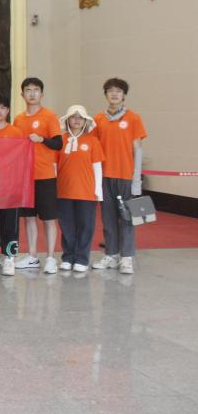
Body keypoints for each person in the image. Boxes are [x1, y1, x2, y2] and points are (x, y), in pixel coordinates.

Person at [92, 78, 147, 275]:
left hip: (125, 176)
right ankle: (112, 254)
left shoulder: (133, 118)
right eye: (111, 90)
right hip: (105, 176)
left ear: (124, 95)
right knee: (108, 218)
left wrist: (136, 180)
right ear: (106, 94)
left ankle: (127, 258)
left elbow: (138, 150)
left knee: (127, 218)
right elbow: (94, 149)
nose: (114, 94)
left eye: (118, 91)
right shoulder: (98, 119)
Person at [12, 77, 63, 274]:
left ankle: (50, 257)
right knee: (29, 218)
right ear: (22, 94)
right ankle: (32, 256)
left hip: (45, 175)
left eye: (35, 90)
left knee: (49, 218)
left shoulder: (49, 116)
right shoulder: (18, 119)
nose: (32, 94)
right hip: (25, 177)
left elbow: (58, 143)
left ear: (42, 94)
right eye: (28, 90)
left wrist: (41, 139)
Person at [56, 105, 104, 272]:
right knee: (66, 226)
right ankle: (68, 257)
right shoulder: (60, 140)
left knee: (86, 226)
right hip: (64, 191)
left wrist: (98, 191)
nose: (76, 120)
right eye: (73, 117)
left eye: (80, 117)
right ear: (67, 120)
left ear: (85, 121)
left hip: (86, 192)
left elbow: (97, 167)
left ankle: (82, 259)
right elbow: (54, 166)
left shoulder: (92, 141)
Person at [0, 93, 23, 277]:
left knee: (10, 224)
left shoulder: (16, 132)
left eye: (2, 107)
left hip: (10, 186)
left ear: (8, 110)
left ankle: (9, 258)